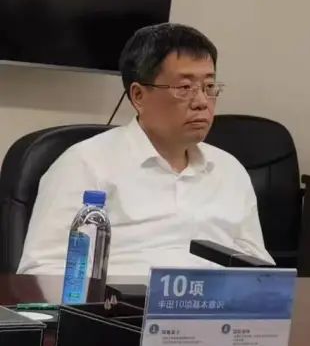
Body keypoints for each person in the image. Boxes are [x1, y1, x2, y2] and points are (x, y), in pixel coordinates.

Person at [18, 24, 273, 277]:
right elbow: (41, 271)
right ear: (139, 96)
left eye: (209, 87)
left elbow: (260, 271)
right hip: (121, 302)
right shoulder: (86, 163)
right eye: (185, 88)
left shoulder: (230, 170)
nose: (202, 102)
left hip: (220, 302)